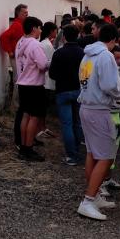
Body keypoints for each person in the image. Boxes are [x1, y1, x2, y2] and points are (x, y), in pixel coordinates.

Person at [76, 24, 120, 221]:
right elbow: (110, 85)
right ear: (112, 40)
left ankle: (94, 196)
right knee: (106, 156)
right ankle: (88, 201)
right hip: (99, 109)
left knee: (92, 153)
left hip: (86, 106)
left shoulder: (87, 55)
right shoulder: (106, 56)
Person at [48, 25, 85, 166]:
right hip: (78, 90)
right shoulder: (83, 53)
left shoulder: (58, 53)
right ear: (78, 36)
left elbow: (52, 74)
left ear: (64, 37)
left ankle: (71, 156)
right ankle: (78, 151)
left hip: (62, 91)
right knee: (78, 122)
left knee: (67, 124)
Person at [14, 16, 49, 162]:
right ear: (34, 28)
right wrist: (49, 63)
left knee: (26, 116)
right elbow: (42, 65)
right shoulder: (35, 45)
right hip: (34, 85)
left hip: (23, 84)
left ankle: (23, 147)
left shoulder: (21, 42)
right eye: (40, 28)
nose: (41, 31)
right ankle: (28, 148)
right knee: (34, 117)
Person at [0, 4, 28, 146]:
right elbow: (4, 37)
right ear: (18, 14)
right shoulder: (17, 25)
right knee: (18, 80)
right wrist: (10, 51)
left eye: (27, 12)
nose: (26, 14)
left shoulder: (22, 25)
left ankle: (15, 105)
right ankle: (14, 106)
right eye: (24, 12)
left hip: (19, 58)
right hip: (16, 58)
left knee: (19, 80)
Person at [37, 21, 58, 140]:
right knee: (43, 105)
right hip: (46, 78)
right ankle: (41, 127)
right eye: (55, 30)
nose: (56, 33)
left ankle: (42, 127)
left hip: (45, 78)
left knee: (44, 105)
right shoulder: (46, 45)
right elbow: (49, 61)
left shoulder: (46, 43)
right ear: (51, 31)